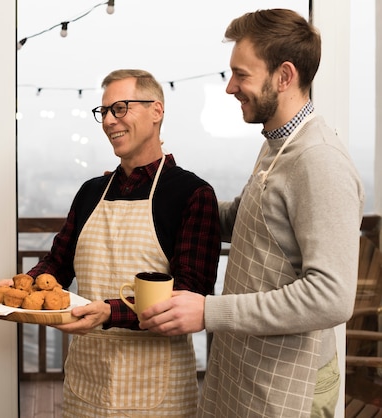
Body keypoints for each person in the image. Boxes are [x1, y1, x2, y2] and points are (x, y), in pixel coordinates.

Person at [139, 9, 365, 418]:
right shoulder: (277, 145)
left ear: (284, 76)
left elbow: (331, 299)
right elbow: (244, 219)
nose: (230, 88)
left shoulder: (319, 161)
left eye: (241, 75)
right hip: (253, 369)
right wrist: (161, 194)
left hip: (291, 382)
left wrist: (208, 310)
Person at [0, 69, 221, 417]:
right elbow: (58, 263)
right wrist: (24, 285)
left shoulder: (191, 194)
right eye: (105, 112)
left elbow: (189, 297)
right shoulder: (91, 192)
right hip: (87, 383)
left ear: (157, 110)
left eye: (121, 108)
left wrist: (109, 311)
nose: (109, 121)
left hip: (157, 391)